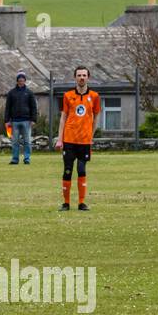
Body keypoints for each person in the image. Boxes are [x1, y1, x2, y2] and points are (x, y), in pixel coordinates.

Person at [55, 66, 101, 212]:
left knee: (81, 170)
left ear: (88, 77)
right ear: (75, 77)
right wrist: (59, 138)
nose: (82, 78)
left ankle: (81, 203)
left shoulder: (94, 96)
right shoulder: (68, 96)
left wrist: (91, 136)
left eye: (84, 75)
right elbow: (63, 118)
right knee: (67, 170)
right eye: (79, 75)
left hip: (84, 141)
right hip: (69, 140)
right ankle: (66, 203)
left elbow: (96, 118)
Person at [4, 70, 37, 165]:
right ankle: (15, 159)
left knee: (27, 141)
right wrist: (6, 120)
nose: (21, 81)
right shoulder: (11, 93)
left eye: (22, 79)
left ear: (25, 80)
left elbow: (33, 107)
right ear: (17, 81)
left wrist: (33, 119)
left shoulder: (29, 93)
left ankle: (27, 158)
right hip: (14, 121)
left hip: (27, 121)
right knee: (15, 142)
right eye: (19, 79)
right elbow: (7, 108)